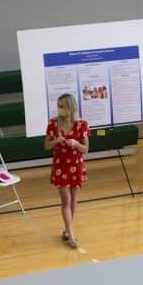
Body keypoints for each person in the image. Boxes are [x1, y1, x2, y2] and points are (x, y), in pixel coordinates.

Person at [44, 94, 90, 248]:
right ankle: (71, 235)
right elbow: (46, 146)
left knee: (73, 198)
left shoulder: (82, 124)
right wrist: (56, 141)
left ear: (70, 107)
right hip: (60, 166)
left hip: (76, 165)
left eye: (62, 106)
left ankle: (66, 229)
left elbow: (85, 149)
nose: (59, 109)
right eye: (58, 105)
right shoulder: (53, 123)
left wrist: (76, 143)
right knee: (66, 200)